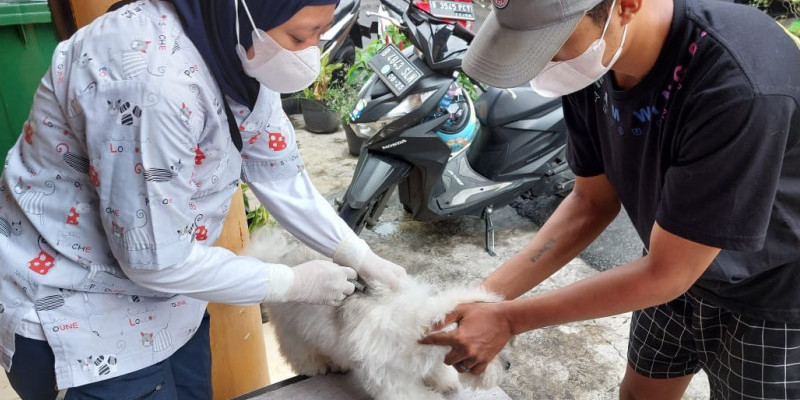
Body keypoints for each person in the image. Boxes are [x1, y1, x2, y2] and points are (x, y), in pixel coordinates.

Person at [0, 0, 407, 398]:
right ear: (244, 10)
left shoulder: (236, 48)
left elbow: (279, 175)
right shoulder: (151, 85)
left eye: (321, 32)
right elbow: (157, 260)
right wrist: (291, 282)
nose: (309, 53)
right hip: (81, 317)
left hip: (172, 301)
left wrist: (358, 254)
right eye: (301, 36)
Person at [420, 0, 800, 398]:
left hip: (769, 294)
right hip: (669, 256)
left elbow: (668, 274)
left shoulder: (737, 83)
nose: (543, 62)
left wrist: (509, 320)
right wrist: (481, 299)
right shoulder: (590, 66)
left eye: (551, 42)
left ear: (627, 5)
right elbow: (591, 203)